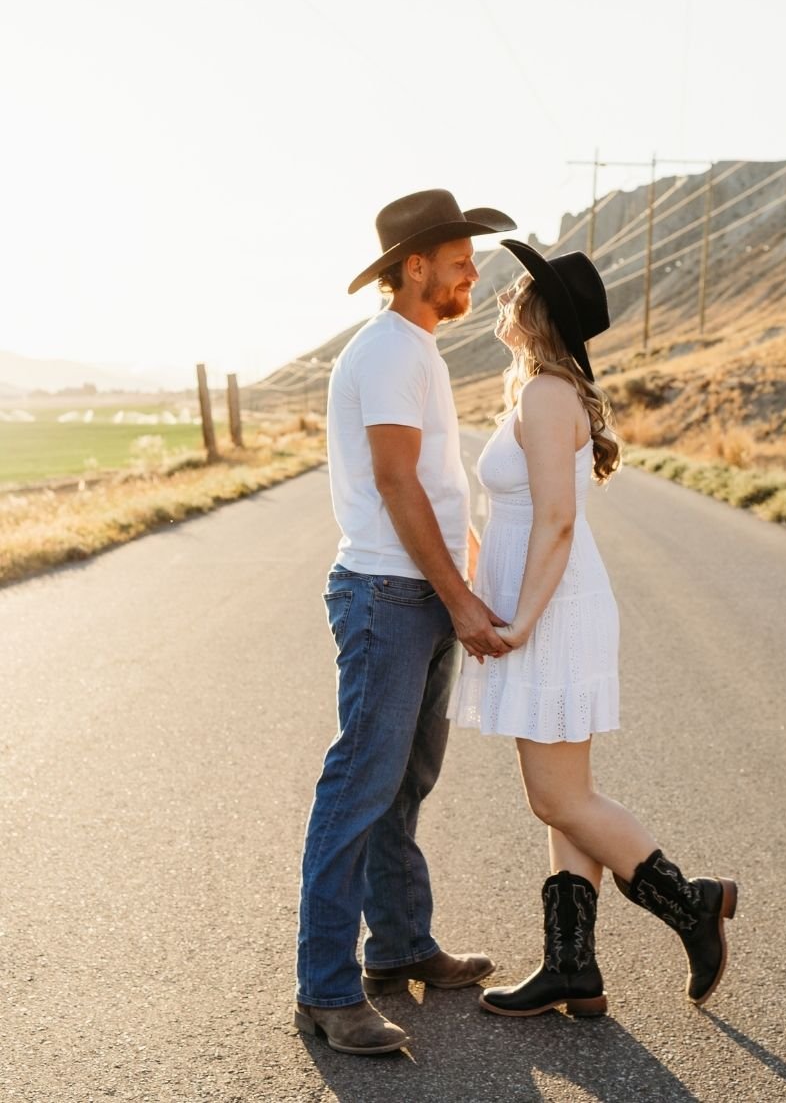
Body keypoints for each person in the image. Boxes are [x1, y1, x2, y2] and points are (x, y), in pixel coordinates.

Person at [449, 240, 738, 1017]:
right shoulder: (542, 391)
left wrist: (521, 623)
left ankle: (693, 904)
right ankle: (570, 967)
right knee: (565, 796)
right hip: (546, 607)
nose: (505, 296)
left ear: (540, 312)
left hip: (551, 612)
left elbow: (557, 520)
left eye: (519, 290)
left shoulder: (548, 395)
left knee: (558, 799)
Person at [295, 188, 517, 1055]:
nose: (473, 273)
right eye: (460, 260)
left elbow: (434, 481)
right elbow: (395, 481)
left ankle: (397, 946)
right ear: (414, 265)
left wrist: (467, 574)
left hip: (417, 592)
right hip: (388, 597)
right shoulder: (389, 350)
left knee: (404, 782)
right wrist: (459, 600)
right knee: (359, 785)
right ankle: (326, 990)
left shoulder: (416, 348)